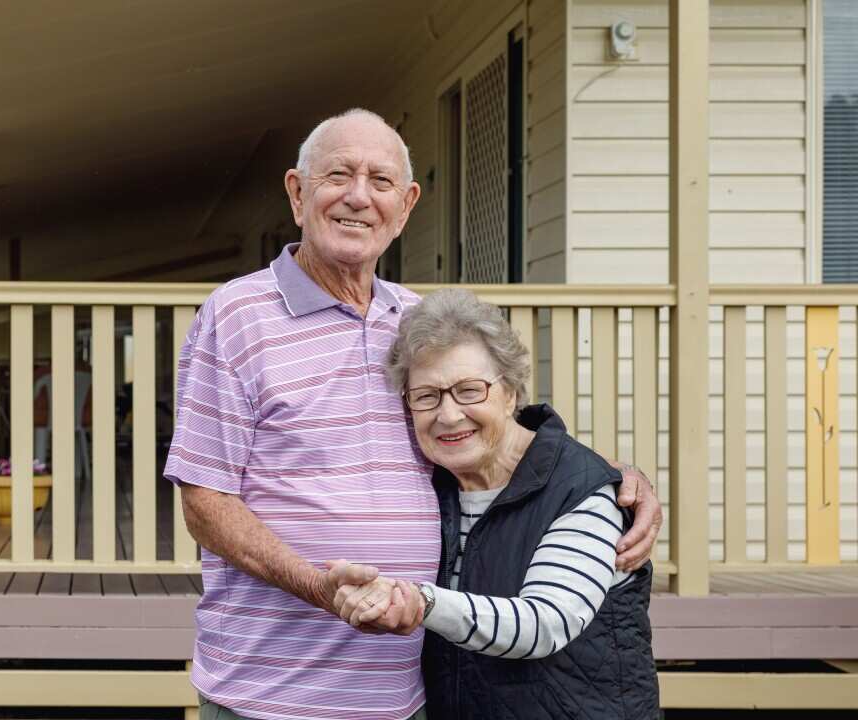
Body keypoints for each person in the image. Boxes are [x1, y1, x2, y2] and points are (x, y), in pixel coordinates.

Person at [164, 108, 661, 720]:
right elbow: (205, 503)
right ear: (297, 193)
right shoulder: (237, 315)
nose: (358, 196)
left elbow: (492, 433)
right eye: (338, 175)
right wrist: (318, 587)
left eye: (380, 181)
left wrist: (611, 480)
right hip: (271, 695)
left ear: (405, 207)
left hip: (408, 694)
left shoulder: (417, 319)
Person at [333, 288, 659, 719]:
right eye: (427, 396)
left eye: (469, 391)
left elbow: (546, 623)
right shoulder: (430, 487)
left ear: (510, 393)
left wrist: (423, 602)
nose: (448, 415)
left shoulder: (584, 490)